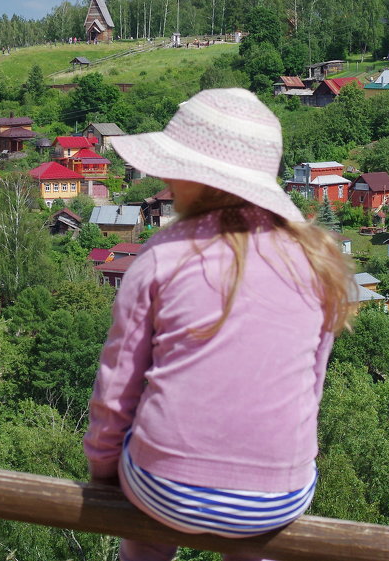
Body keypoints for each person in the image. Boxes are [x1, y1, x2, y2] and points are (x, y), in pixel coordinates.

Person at [84, 88, 354, 561]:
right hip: (277, 496)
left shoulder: (161, 256)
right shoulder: (315, 262)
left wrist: (104, 469)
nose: (165, 180)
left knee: (146, 528)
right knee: (253, 538)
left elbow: (118, 386)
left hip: (163, 487)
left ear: (193, 178)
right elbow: (311, 387)